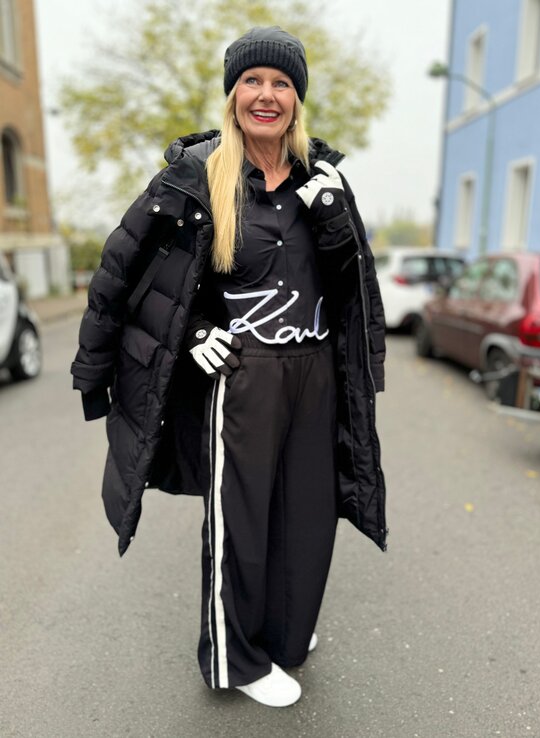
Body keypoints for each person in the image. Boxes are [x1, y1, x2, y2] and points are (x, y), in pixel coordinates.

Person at [71, 25, 387, 708]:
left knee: (308, 515)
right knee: (241, 520)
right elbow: (125, 275)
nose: (266, 94)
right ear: (232, 94)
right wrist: (191, 335)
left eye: (281, 83)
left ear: (297, 99)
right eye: (252, 81)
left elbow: (353, 288)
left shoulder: (323, 179)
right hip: (240, 374)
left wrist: (334, 219)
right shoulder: (193, 177)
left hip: (316, 375)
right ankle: (232, 658)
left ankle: (284, 633)